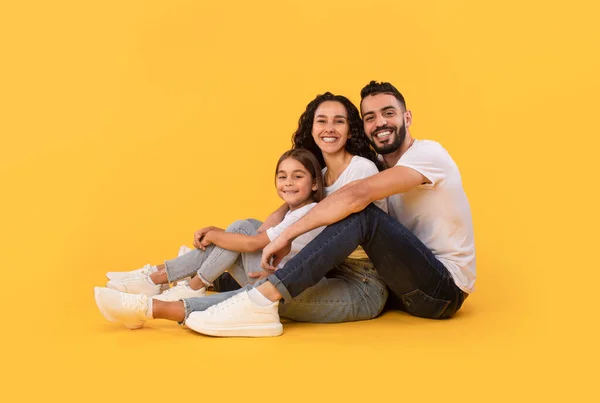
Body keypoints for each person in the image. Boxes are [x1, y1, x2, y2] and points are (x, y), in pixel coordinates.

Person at [185, 81, 476, 337]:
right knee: (249, 231)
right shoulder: (378, 163)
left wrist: (286, 235)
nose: (381, 123)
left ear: (407, 117)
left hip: (441, 290)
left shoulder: (428, 154)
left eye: (389, 113)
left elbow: (355, 196)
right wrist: (280, 213)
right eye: (370, 117)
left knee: (362, 214)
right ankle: (194, 278)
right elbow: (335, 195)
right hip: (397, 282)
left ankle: (263, 299)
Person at [94, 92, 389, 335]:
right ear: (311, 128)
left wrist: (239, 240)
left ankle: (154, 304)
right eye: (321, 121)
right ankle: (161, 280)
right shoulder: (319, 174)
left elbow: (329, 239)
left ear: (350, 128)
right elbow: (278, 217)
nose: (329, 128)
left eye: (339, 121)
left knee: (264, 293)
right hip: (321, 269)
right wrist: (232, 235)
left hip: (361, 285)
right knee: (245, 228)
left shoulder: (360, 169)